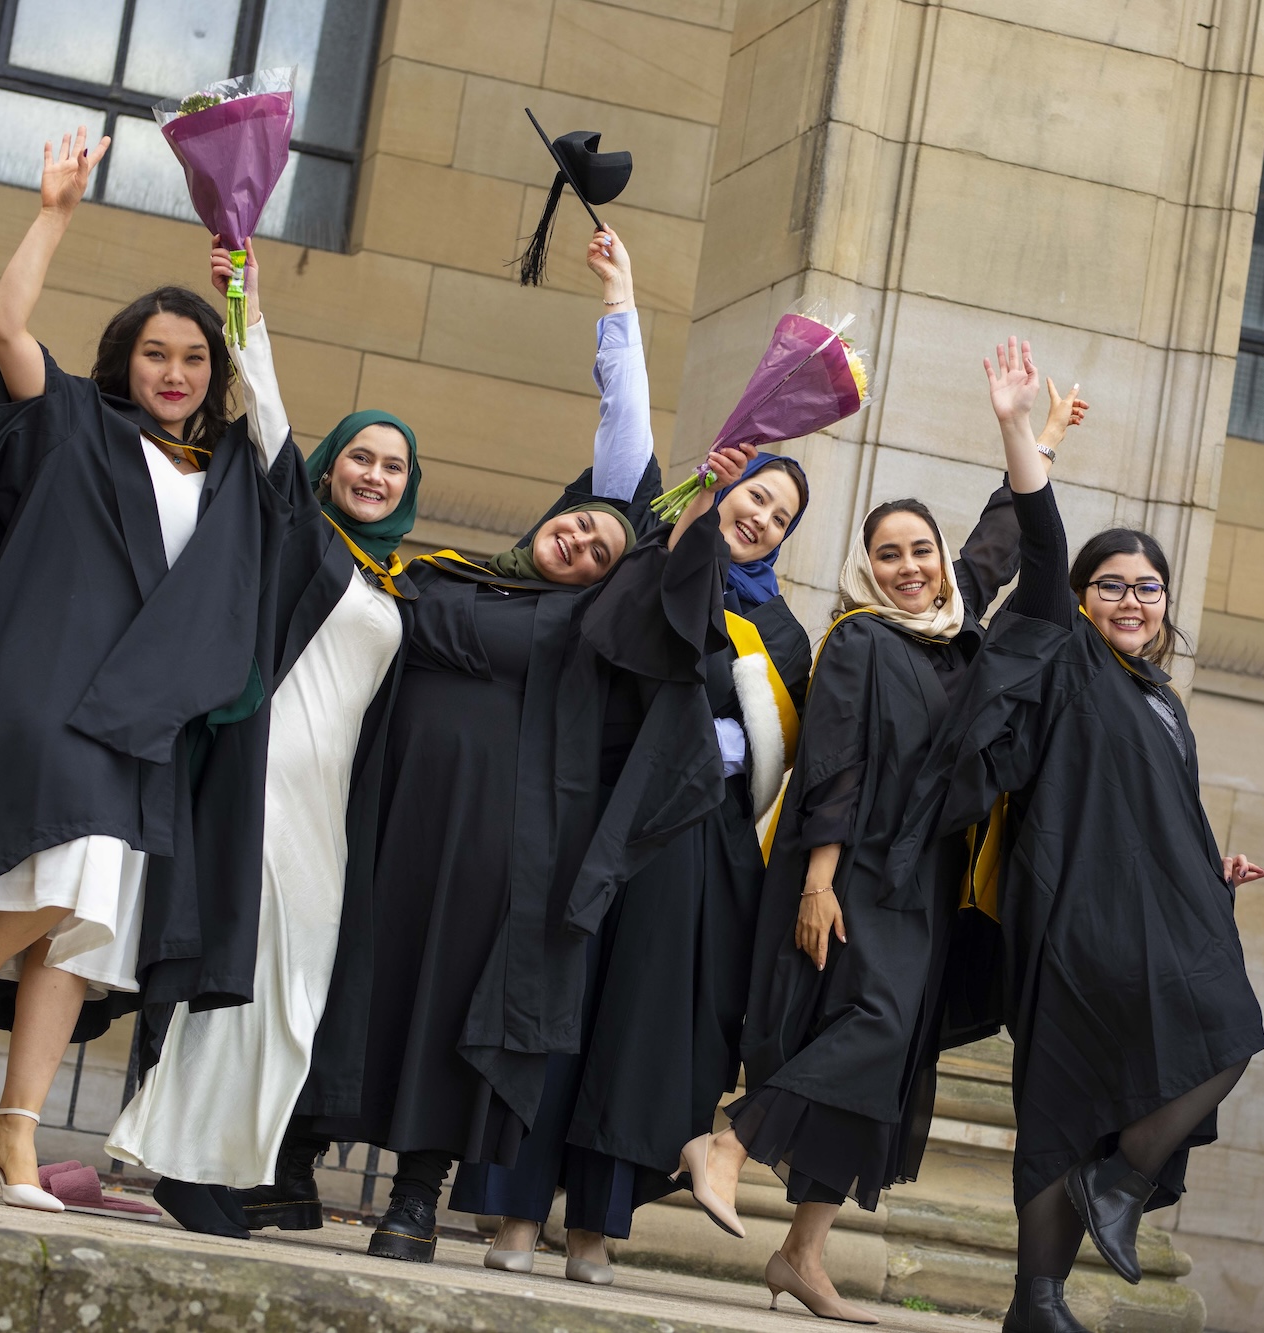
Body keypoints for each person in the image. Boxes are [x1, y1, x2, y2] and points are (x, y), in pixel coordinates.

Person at [236, 226, 730, 1266]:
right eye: (577, 525)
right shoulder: (444, 573)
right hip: (383, 828)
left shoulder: (598, 631)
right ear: (548, 519)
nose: (584, 540)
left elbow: (633, 464)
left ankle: (412, 1202)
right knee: (347, 986)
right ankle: (286, 1177)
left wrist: (621, 305)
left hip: (503, 861)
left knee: (457, 1019)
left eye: (603, 547)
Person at [0, 129, 304, 1211]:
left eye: (193, 358)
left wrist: (245, 306)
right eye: (158, 353)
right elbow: (5, 327)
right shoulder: (75, 422)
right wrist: (55, 212)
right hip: (53, 685)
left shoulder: (223, 476)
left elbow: (280, 438)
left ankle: (11, 1133)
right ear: (127, 361)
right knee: (76, 869)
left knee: (90, 918)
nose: (175, 372)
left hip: (146, 712)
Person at [893, 338, 1264, 1333]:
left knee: (1164, 1055)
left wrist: (1206, 862)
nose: (1130, 601)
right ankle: (1107, 1197)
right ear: (1084, 600)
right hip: (1066, 907)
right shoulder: (1063, 655)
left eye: (1146, 588)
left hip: (1146, 904)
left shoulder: (1162, 704)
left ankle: (1046, 1285)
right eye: (1112, 585)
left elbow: (1162, 814)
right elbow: (1045, 546)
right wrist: (1023, 434)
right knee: (1175, 1043)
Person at [686, 408, 1077, 1322]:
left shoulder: (958, 624)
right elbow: (833, 763)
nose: (909, 567)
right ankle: (731, 1141)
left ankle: (802, 1254)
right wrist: (819, 879)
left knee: (887, 1059)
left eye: (920, 551)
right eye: (889, 554)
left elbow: (999, 536)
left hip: (933, 880)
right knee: (873, 1025)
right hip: (858, 871)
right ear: (869, 568)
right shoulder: (864, 640)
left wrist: (1037, 439)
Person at [103, 242, 422, 1236]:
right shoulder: (303, 535)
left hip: (328, 809)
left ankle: (224, 1157)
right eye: (360, 456)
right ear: (331, 471)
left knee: (296, 986)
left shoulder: (399, 581)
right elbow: (270, 411)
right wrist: (242, 296)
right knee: (241, 974)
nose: (374, 474)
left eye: (394, 464)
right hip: (266, 782)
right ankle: (173, 1153)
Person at [451, 447, 814, 1283]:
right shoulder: (646, 561)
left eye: (780, 517)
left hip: (683, 840)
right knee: (557, 1005)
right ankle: (515, 1211)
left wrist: (677, 746)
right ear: (725, 491)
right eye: (755, 496)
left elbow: (744, 753)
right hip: (593, 810)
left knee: (636, 1032)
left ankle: (593, 1231)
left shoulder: (782, 634)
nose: (760, 518)